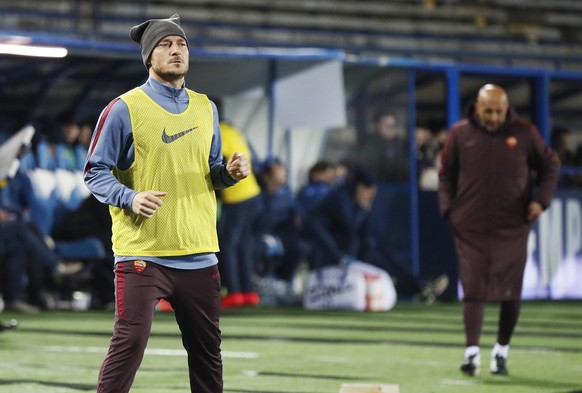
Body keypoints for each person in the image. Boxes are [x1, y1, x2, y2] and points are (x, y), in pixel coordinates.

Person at [83, 14, 250, 393]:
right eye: (165, 45)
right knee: (130, 343)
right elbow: (94, 171)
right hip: (142, 253)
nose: (176, 51)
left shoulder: (207, 108)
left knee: (207, 352)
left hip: (200, 251)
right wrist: (130, 196)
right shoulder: (124, 108)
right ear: (148, 57)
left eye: (182, 45)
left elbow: (208, 171)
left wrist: (229, 174)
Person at [438, 84, 560, 377]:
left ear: (507, 108)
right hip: (471, 226)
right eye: (488, 110)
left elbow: (551, 167)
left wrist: (540, 202)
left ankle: (501, 351)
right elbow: (446, 175)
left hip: (512, 226)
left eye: (499, 110)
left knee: (510, 293)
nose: (493, 116)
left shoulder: (525, 133)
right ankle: (471, 354)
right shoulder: (460, 134)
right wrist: (449, 210)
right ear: (477, 108)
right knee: (473, 290)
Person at [305, 167, 448, 303]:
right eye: (369, 191)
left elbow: (365, 233)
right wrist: (363, 209)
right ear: (360, 187)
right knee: (376, 258)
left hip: (348, 251)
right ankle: (417, 286)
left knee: (385, 255)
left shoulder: (355, 201)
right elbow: (350, 228)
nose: (371, 196)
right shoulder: (340, 198)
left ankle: (419, 284)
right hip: (331, 254)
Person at [213, 98, 263, 308]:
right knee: (243, 244)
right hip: (253, 191)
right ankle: (248, 291)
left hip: (237, 195)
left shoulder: (215, 133)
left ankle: (234, 292)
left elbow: (213, 163)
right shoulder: (231, 129)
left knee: (228, 244)